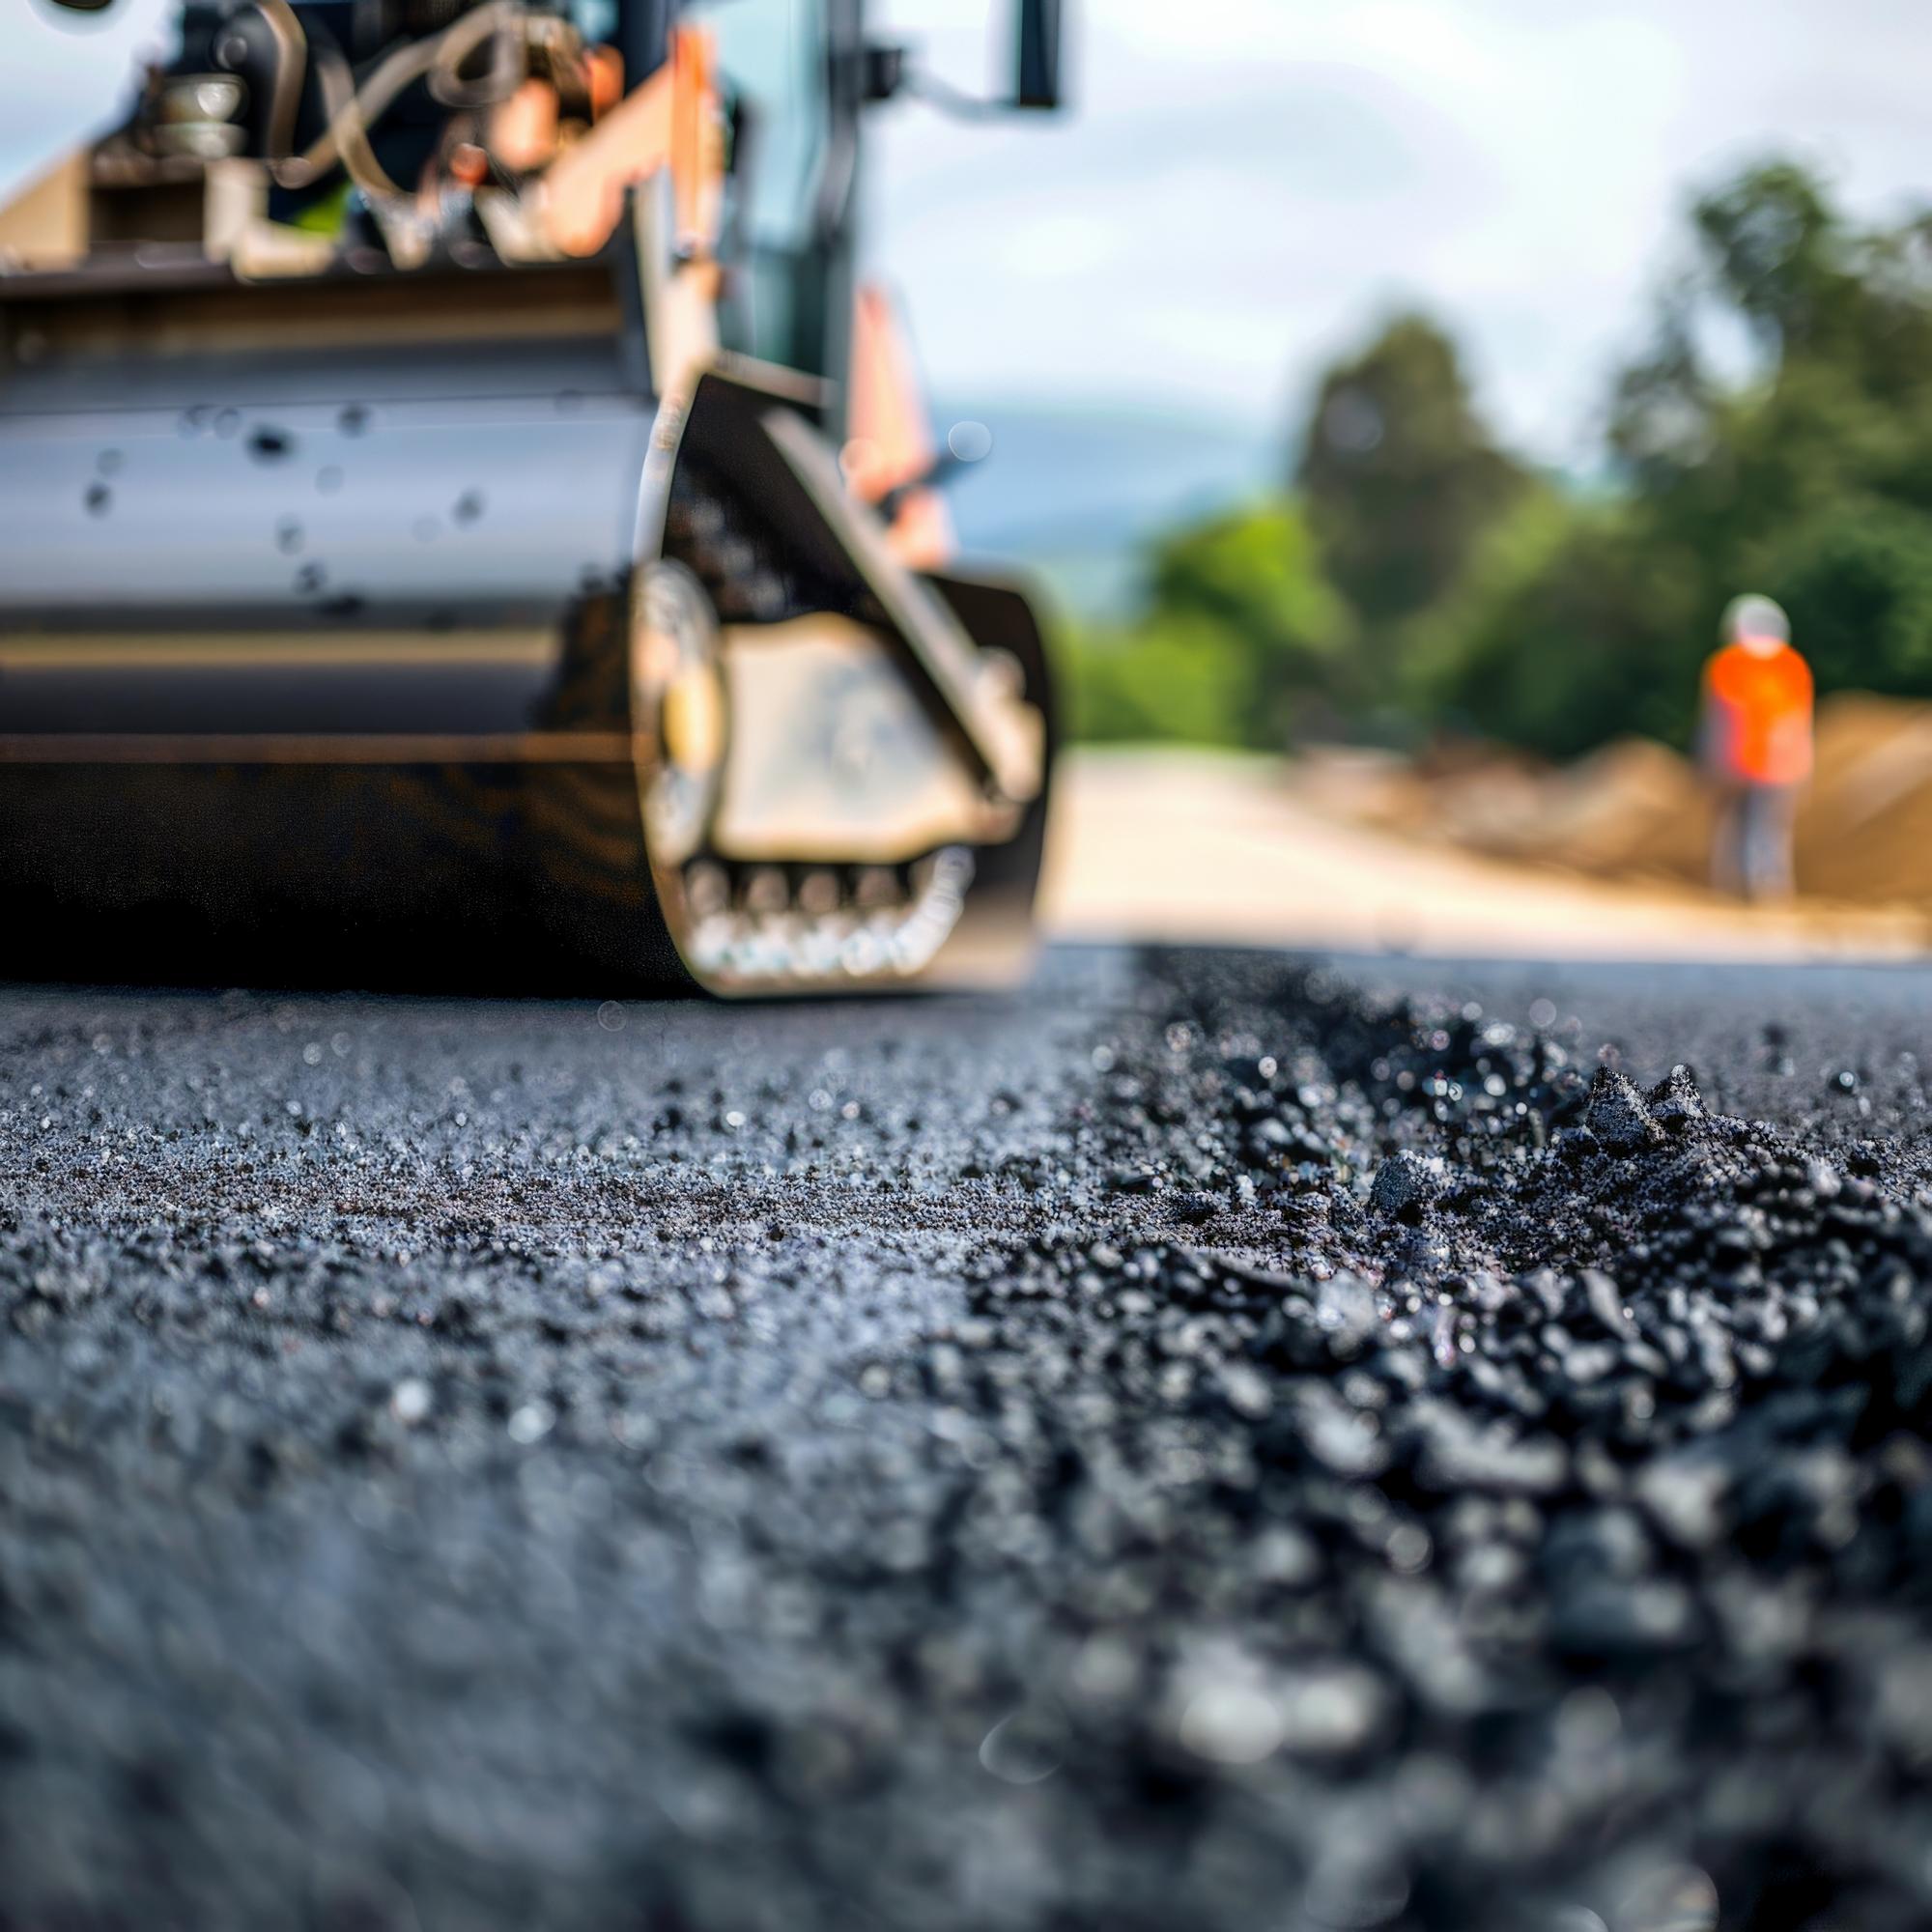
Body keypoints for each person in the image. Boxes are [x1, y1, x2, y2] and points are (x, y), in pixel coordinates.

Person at [1698, 594, 1813, 900]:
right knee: (1770, 828)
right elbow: (1800, 719)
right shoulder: (1792, 665)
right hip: (1780, 764)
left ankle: (1742, 887)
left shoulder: (1728, 664)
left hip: (1738, 761)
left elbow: (1717, 720)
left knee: (1741, 826)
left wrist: (1712, 761)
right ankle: (1770, 887)